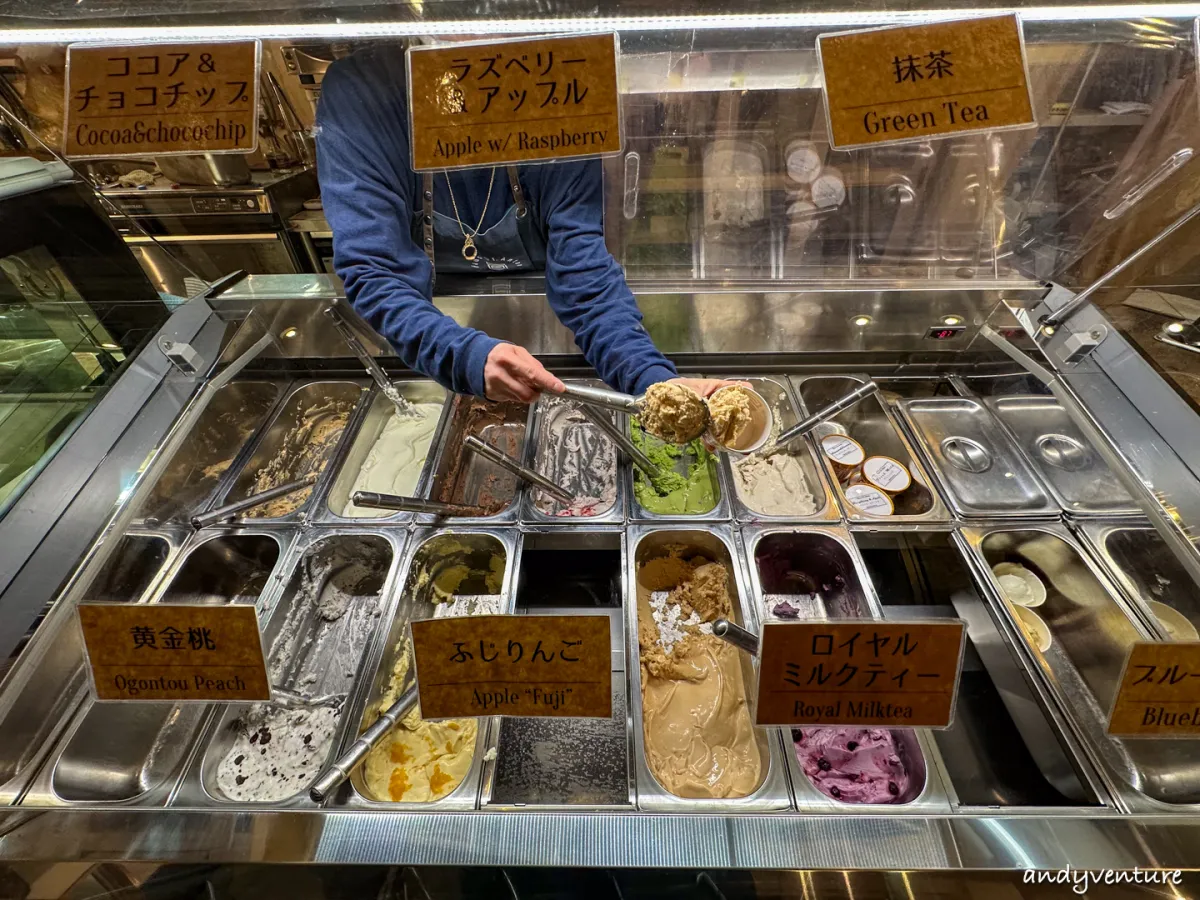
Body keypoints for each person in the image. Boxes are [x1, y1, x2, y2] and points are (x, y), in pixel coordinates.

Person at [315, 45, 732, 404]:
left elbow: (582, 267)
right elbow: (374, 268)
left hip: (545, 315)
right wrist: (464, 357)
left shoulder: (558, 78)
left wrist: (654, 382)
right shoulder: (363, 92)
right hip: (423, 327)